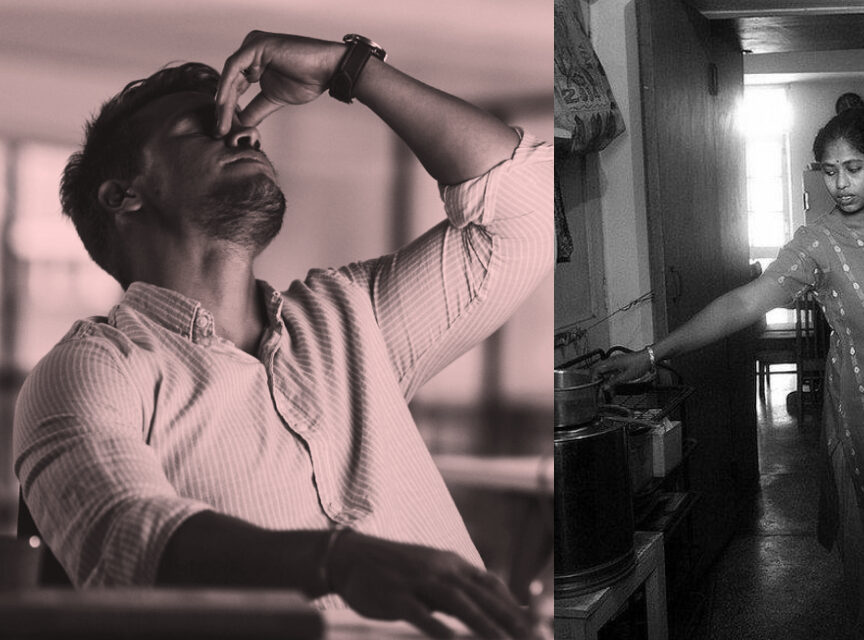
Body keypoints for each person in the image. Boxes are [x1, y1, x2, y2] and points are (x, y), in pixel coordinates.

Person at [13, 30, 552, 639]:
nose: (243, 134)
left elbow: (525, 206)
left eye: (242, 126)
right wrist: (336, 562)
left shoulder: (351, 314)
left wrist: (353, 70)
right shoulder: (90, 370)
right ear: (123, 195)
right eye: (201, 129)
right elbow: (127, 535)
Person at [595, 108, 864, 639]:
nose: (841, 184)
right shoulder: (817, 242)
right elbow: (743, 303)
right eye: (829, 171)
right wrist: (650, 354)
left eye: (853, 168)